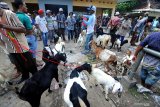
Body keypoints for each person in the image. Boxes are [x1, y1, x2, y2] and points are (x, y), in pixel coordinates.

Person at [0, 2, 37, 84]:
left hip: (20, 45)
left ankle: (36, 77)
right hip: (10, 46)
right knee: (20, 63)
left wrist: (3, 26)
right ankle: (25, 76)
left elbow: (23, 29)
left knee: (29, 63)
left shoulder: (10, 14)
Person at [15, 0, 38, 64]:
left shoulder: (15, 15)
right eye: (25, 5)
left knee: (25, 53)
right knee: (33, 53)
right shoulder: (25, 17)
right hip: (29, 37)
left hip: (20, 38)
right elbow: (30, 30)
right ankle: (34, 65)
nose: (27, 7)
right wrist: (33, 27)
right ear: (20, 6)